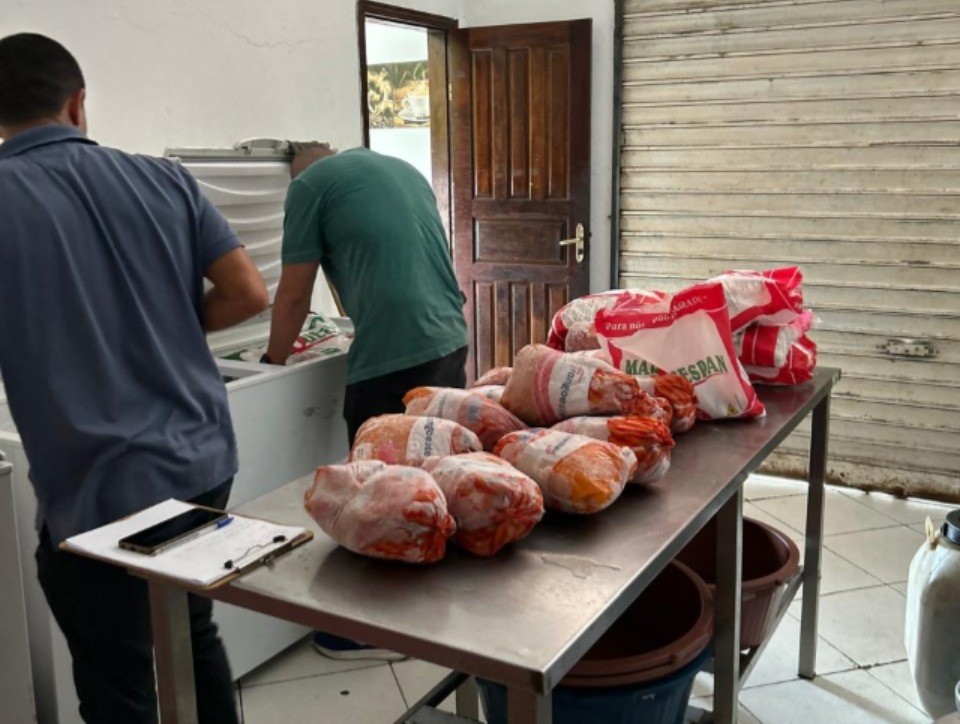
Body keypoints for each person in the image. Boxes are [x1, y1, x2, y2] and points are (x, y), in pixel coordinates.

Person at [0, 34, 269, 723]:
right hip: (200, 458)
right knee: (188, 628)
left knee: (116, 670)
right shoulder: (164, 178)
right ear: (78, 102)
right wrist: (164, 326)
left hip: (97, 485)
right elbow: (246, 293)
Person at [265, 144, 468, 660]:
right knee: (432, 473)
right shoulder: (398, 169)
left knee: (376, 492)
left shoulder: (307, 188)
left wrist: (271, 363)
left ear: (295, 172)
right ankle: (432, 602)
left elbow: (293, 294)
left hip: (395, 353)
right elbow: (377, 265)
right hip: (447, 334)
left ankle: (378, 630)